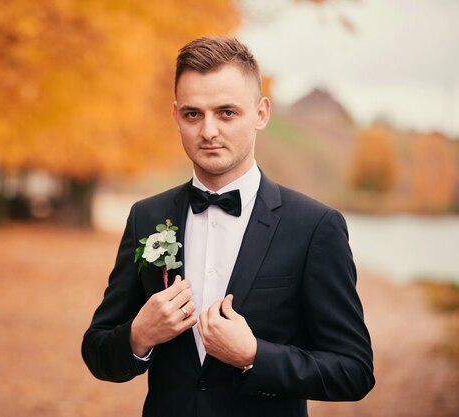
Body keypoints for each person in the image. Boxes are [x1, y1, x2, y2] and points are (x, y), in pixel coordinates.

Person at [82, 36, 374, 417]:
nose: (208, 131)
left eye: (227, 113)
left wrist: (255, 356)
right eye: (193, 114)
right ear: (175, 116)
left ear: (261, 113)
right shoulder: (146, 216)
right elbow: (97, 350)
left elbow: (353, 371)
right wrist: (139, 335)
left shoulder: (316, 227)